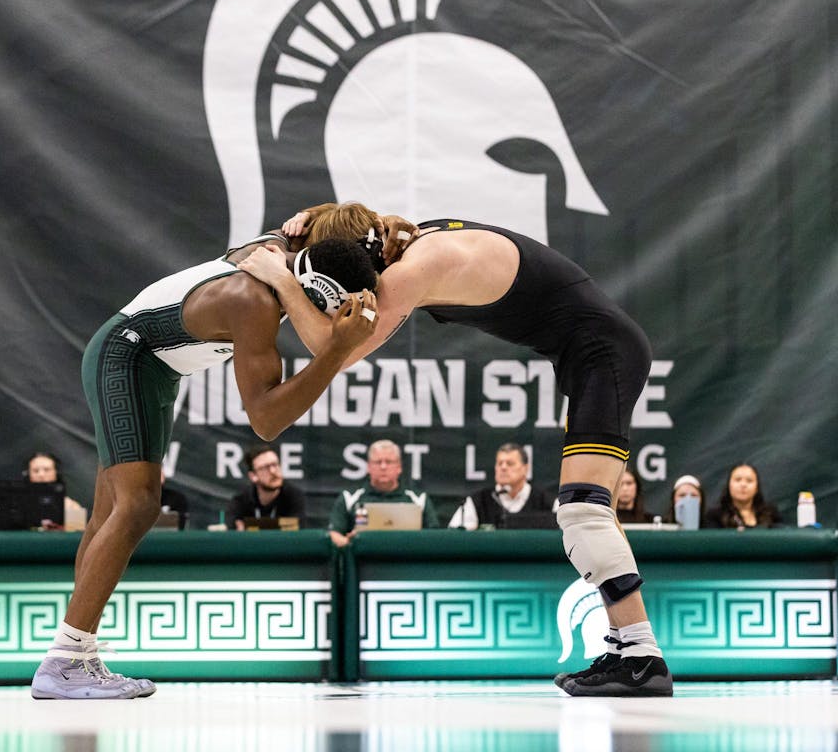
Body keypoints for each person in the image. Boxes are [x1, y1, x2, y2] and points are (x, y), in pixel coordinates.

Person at [238, 201, 672, 696]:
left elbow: (332, 350)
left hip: (604, 355)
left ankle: (641, 657)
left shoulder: (417, 267)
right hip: (592, 354)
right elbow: (350, 217)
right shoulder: (399, 237)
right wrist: (309, 216)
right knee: (595, 514)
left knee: (583, 514)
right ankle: (626, 648)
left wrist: (282, 277)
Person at [30, 232, 379, 700]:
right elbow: (267, 420)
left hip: (147, 362)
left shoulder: (277, 249)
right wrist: (335, 351)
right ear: (316, 294)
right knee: (137, 507)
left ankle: (76, 654)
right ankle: (65, 659)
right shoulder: (252, 300)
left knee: (110, 515)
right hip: (128, 356)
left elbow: (319, 221)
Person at [327, 439, 440, 547]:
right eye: (378, 462)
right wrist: (350, 543)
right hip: (363, 562)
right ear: (369, 467)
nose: (383, 466)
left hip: (407, 562)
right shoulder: (349, 498)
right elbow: (333, 534)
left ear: (399, 467)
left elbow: (434, 537)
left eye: (389, 462)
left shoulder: (419, 500)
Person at [448, 443, 555, 529]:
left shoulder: (547, 502)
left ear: (525, 469)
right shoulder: (478, 501)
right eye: (499, 463)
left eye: (510, 463)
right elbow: (454, 537)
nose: (503, 468)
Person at [227, 443, 307, 530]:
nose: (273, 471)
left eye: (275, 464)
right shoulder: (241, 501)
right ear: (253, 476)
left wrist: (249, 526)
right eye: (265, 468)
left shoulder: (293, 496)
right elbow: (233, 530)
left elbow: (296, 530)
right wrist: (282, 525)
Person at [706, 463, 782, 529]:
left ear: (756, 488)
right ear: (729, 485)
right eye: (738, 480)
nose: (743, 485)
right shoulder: (715, 516)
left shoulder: (771, 513)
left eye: (749, 481)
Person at [24, 452, 85, 520]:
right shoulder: (19, 504)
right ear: (28, 474)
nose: (41, 474)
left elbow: (78, 528)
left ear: (56, 473)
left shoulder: (71, 506)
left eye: (47, 470)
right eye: (36, 471)